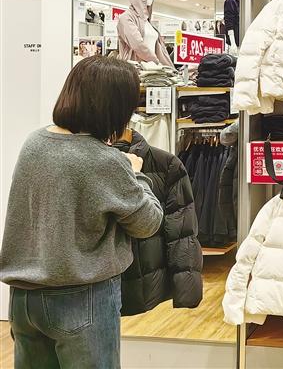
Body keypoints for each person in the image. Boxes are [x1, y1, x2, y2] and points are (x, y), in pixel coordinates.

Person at [0, 56, 164, 369]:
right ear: (114, 108)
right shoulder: (105, 160)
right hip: (81, 298)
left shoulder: (34, 143)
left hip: (24, 298)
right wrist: (136, 173)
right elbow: (149, 222)